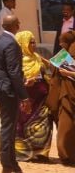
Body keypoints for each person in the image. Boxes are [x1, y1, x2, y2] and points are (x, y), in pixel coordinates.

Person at [0, 14, 31, 173]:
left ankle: (12, 164)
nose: (20, 24)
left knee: (8, 126)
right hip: (8, 90)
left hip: (1, 87)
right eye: (18, 22)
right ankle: (7, 165)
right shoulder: (11, 43)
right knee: (8, 128)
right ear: (15, 25)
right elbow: (14, 72)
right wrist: (24, 96)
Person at [14, 29, 54, 162]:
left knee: (44, 124)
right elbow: (15, 80)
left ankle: (41, 153)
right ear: (23, 43)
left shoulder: (37, 58)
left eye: (34, 42)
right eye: (30, 42)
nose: (34, 45)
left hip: (42, 100)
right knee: (23, 125)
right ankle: (22, 153)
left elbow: (47, 72)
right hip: (27, 100)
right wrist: (26, 83)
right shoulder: (17, 61)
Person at [53, 31, 75, 165]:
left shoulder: (71, 54)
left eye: (63, 42)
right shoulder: (64, 55)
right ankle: (66, 154)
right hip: (66, 95)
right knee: (65, 126)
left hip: (69, 95)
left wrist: (68, 72)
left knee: (67, 126)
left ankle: (67, 155)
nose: (61, 44)